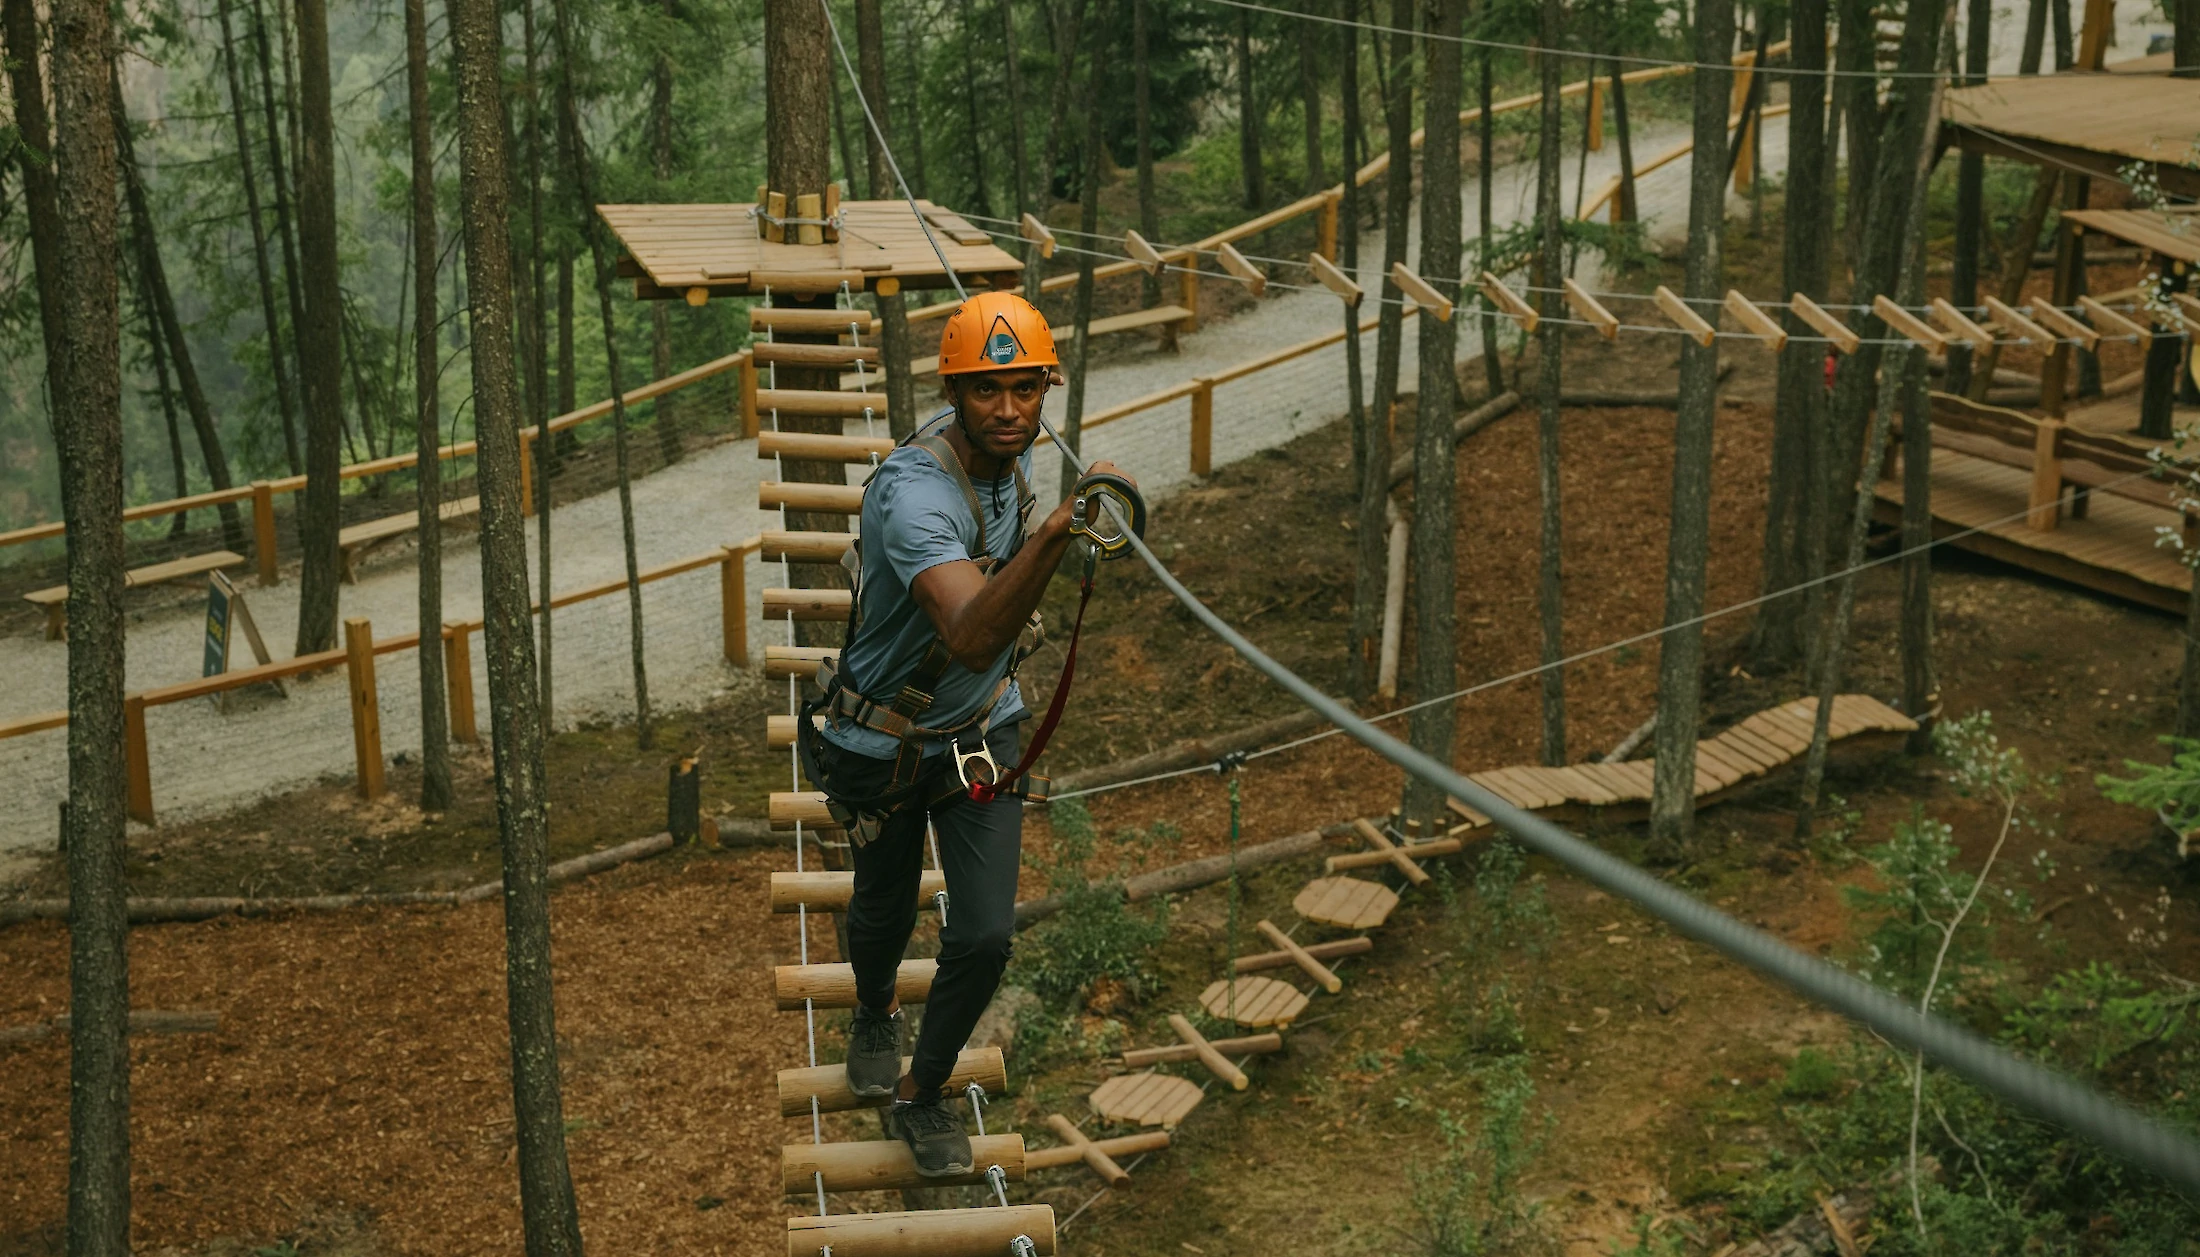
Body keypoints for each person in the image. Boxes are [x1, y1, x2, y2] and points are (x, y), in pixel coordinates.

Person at [797, 290, 1135, 1178]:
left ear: (1046, 388)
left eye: (1026, 390)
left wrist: (1077, 510)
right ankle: (873, 1005)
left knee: (984, 935)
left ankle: (924, 1088)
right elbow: (970, 634)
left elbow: (988, 650)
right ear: (954, 390)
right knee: (881, 906)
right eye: (988, 391)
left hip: (980, 729)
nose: (1010, 410)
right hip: (885, 740)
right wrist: (1061, 529)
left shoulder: (1008, 461)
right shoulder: (913, 493)